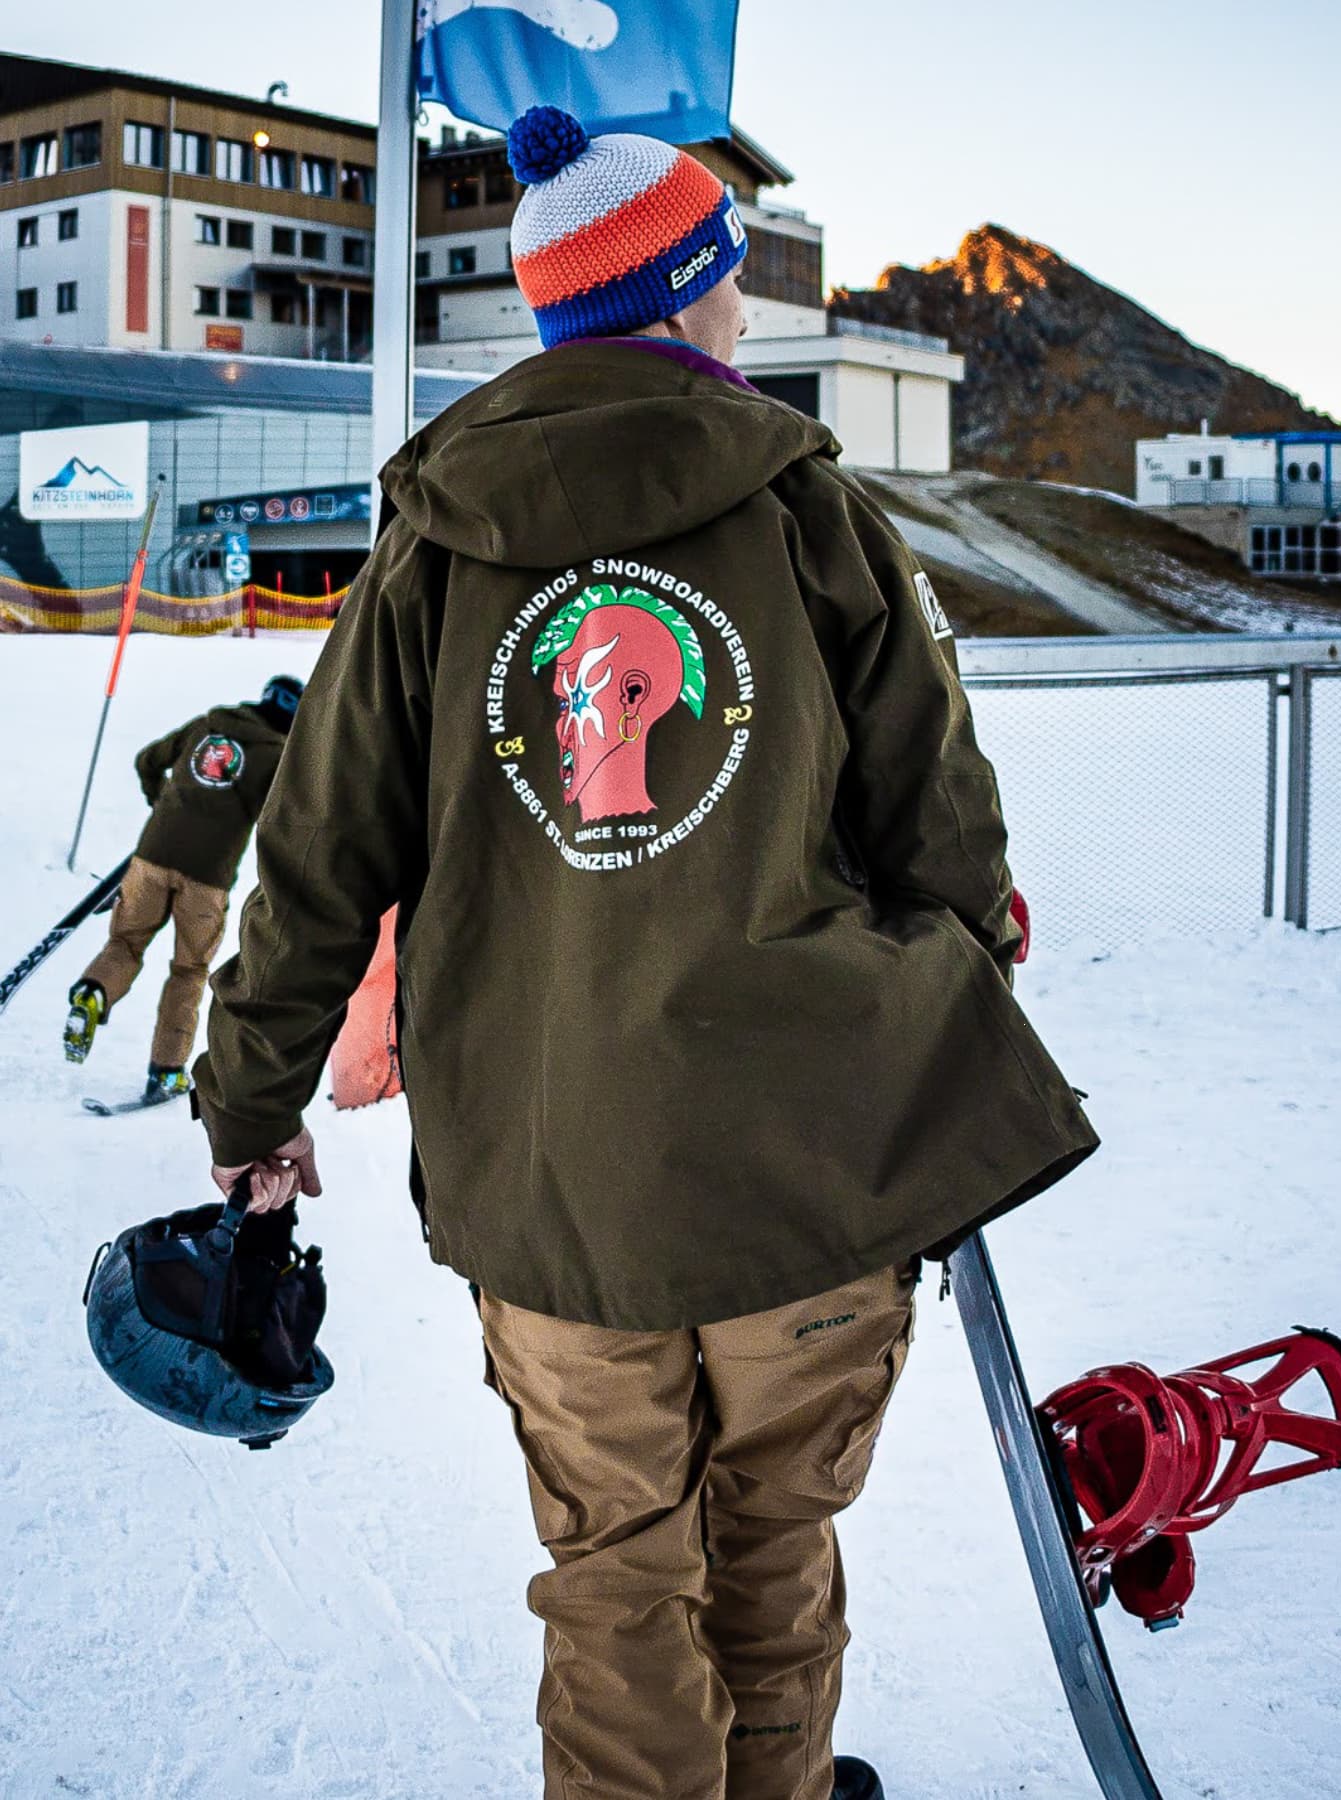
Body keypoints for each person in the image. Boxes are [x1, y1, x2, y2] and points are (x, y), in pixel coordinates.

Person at [192, 107, 1097, 1800]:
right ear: (684, 298)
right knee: (769, 1550)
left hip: (553, 1187)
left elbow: (320, 856)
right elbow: (941, 823)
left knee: (617, 1570)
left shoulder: (432, 541)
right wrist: (953, 1009)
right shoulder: (810, 512)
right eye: (729, 278)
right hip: (810, 1174)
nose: (742, 307)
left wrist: (250, 1097)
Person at [64, 674, 303, 1100]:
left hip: (151, 857)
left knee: (125, 943)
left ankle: (93, 992)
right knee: (189, 971)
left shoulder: (207, 726)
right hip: (207, 878)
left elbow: (147, 760)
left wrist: (164, 805)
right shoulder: (278, 756)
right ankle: (167, 1070)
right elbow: (279, 820)